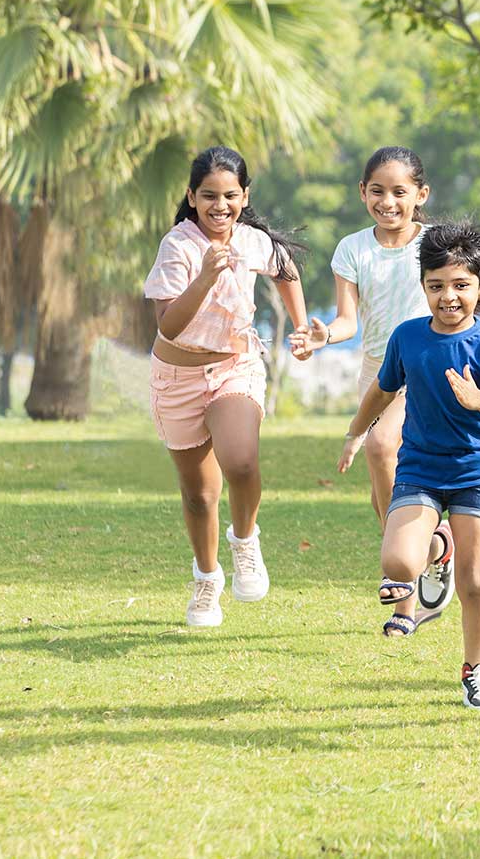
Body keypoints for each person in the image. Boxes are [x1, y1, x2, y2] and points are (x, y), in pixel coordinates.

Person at [289, 146, 480, 637]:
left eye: (399, 191)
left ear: (420, 195)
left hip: (427, 363)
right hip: (383, 363)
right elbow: (348, 319)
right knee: (381, 487)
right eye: (377, 191)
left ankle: (413, 576)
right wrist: (323, 336)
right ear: (362, 193)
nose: (388, 201)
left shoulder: (435, 246)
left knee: (383, 444)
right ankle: (428, 553)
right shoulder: (352, 249)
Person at [340, 220, 480, 710]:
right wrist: (355, 433)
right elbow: (381, 391)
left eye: (461, 286)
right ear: (422, 285)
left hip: (476, 473)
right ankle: (437, 546)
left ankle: (478, 674)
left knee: (475, 582)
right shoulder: (407, 338)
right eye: (436, 286)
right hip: (420, 470)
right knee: (397, 564)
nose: (449, 297)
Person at [143, 146, 313, 628]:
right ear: (192, 197)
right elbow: (169, 326)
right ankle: (206, 579)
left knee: (241, 459)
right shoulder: (178, 246)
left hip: (236, 366)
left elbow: (285, 268)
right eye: (210, 196)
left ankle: (245, 542)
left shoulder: (252, 240)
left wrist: (300, 328)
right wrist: (204, 277)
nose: (221, 206)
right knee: (199, 495)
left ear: (245, 196)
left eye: (231, 196)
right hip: (177, 377)